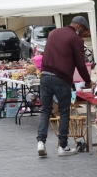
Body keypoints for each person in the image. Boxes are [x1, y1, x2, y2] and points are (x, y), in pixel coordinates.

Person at [37, 16, 92, 157]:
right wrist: (88, 81)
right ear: (79, 27)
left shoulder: (54, 32)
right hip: (61, 78)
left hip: (44, 75)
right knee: (64, 112)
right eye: (84, 30)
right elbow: (80, 64)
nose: (84, 33)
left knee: (45, 110)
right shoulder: (76, 39)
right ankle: (63, 147)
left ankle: (41, 143)